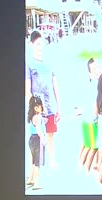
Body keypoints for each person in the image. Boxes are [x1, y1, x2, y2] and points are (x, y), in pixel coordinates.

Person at [25, 30, 61, 168]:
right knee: (35, 138)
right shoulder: (29, 64)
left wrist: (59, 107)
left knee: (50, 135)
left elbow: (55, 86)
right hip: (36, 109)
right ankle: (33, 167)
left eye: (42, 43)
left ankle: (52, 161)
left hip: (50, 106)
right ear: (32, 44)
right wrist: (35, 110)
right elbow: (27, 89)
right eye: (38, 43)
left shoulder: (50, 63)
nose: (40, 46)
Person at [27, 96, 47, 190]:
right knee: (37, 162)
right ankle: (36, 183)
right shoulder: (38, 117)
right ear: (36, 108)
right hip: (37, 140)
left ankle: (30, 180)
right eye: (40, 105)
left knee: (32, 161)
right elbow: (39, 129)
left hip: (31, 139)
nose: (42, 107)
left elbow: (36, 125)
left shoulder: (33, 116)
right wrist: (43, 138)